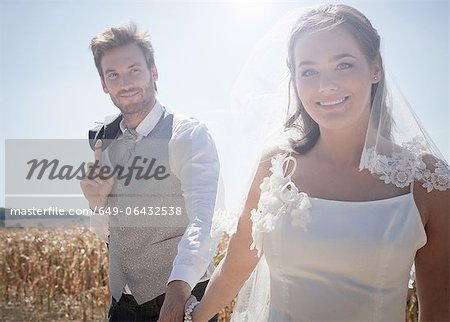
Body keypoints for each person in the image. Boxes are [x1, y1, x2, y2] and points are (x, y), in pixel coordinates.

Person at [183, 4, 449, 321]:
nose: (325, 85)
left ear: (375, 67)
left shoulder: (426, 181)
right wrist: (194, 317)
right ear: (294, 78)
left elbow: (439, 310)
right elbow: (238, 260)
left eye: (344, 65)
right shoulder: (276, 166)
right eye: (309, 71)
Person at [80, 23, 220, 322]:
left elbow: (203, 220)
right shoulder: (105, 143)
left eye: (134, 70)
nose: (125, 83)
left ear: (153, 71)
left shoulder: (188, 134)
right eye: (113, 75)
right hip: (122, 304)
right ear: (104, 84)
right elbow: (107, 233)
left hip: (180, 299)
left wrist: (179, 288)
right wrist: (96, 202)